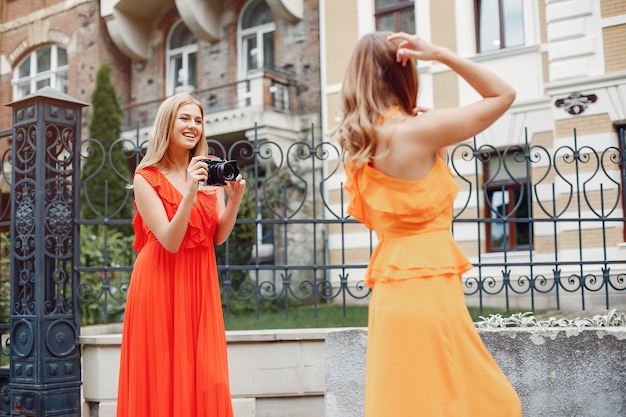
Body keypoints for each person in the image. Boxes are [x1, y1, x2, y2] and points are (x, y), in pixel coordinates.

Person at [332, 32, 522, 416]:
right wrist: (441, 54)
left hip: (392, 291)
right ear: (403, 75)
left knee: (407, 399)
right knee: (480, 400)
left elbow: (411, 202)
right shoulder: (418, 131)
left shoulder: (359, 146)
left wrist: (437, 150)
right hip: (429, 288)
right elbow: (503, 95)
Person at [116, 93, 246, 417]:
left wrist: (234, 202)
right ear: (167, 124)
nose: (193, 126)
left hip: (199, 282)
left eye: (198, 120)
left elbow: (217, 236)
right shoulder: (145, 178)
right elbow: (170, 240)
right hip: (160, 281)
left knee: (209, 378)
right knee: (162, 377)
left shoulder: (207, 170)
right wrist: (189, 190)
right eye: (185, 118)